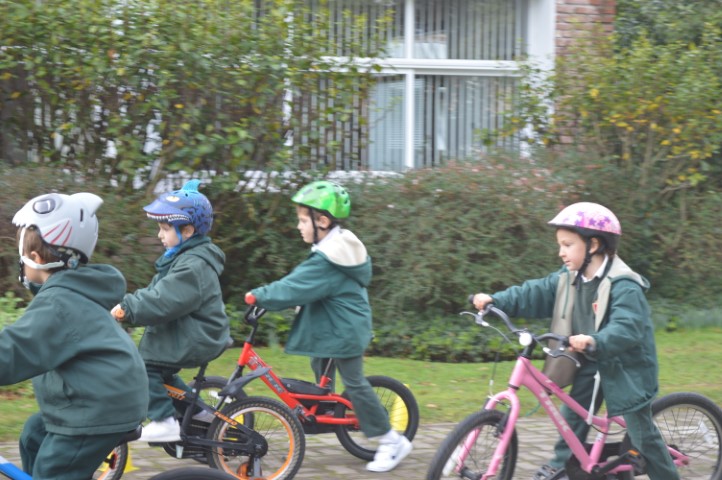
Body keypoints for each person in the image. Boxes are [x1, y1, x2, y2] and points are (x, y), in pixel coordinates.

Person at [472, 202, 679, 480]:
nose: (561, 252)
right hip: (589, 362)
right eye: (560, 244)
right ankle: (563, 465)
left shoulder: (624, 284)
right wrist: (496, 300)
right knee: (573, 416)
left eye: (568, 245)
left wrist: (595, 340)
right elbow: (534, 292)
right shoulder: (569, 278)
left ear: (593, 245)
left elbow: (627, 327)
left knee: (643, 437)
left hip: (625, 368)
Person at [245, 180, 413, 473]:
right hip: (332, 327)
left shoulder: (329, 258)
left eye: (302, 220)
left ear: (322, 221)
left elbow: (293, 286)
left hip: (345, 330)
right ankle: (321, 411)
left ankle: (391, 441)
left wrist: (259, 295)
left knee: (355, 383)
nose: (298, 226)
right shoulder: (332, 248)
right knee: (319, 367)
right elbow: (307, 287)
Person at [0, 192, 148, 479]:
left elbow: (12, 353)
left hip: (97, 409)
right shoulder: (71, 292)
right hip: (103, 398)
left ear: (35, 258)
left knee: (54, 471)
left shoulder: (59, 303)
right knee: (33, 436)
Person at [111, 179, 230, 443]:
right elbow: (155, 291)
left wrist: (126, 310)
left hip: (197, 335)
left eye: (165, 229)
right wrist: (125, 304)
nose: (159, 235)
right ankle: (198, 414)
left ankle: (164, 421)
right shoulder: (182, 258)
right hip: (189, 330)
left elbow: (163, 300)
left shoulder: (193, 266)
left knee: (140, 368)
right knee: (159, 372)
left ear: (187, 230)